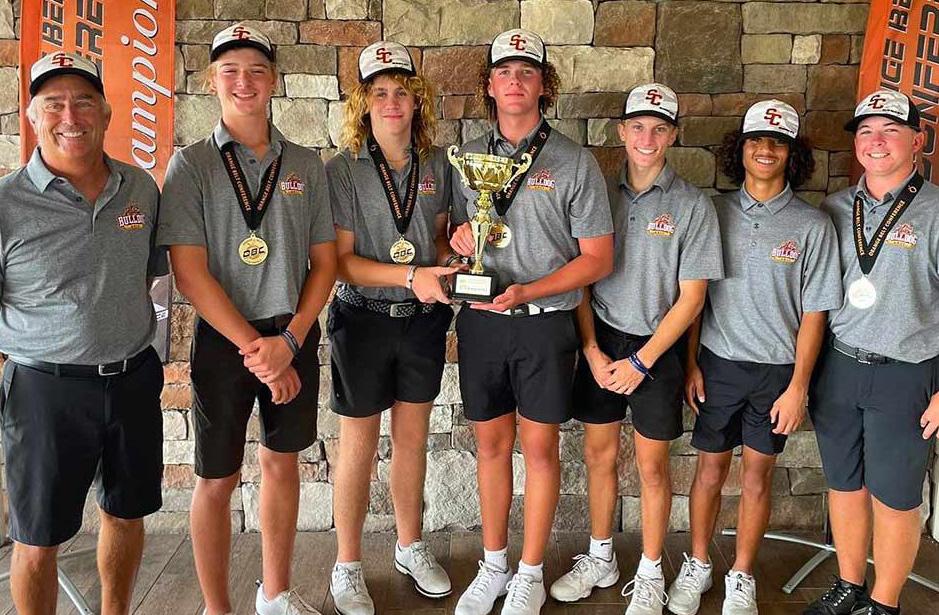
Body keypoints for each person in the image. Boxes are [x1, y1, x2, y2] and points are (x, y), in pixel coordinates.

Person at [157, 23, 337, 615]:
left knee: (282, 464)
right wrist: (261, 353)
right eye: (230, 71)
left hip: (293, 333)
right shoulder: (190, 166)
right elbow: (189, 274)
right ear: (212, 81)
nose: (244, 81)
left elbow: (325, 264)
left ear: (274, 81)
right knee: (216, 478)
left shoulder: (306, 164)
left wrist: (288, 341)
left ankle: (276, 594)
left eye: (257, 70)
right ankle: (217, 607)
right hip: (224, 341)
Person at [449, 28, 614, 615]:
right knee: (490, 446)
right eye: (504, 72)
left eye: (527, 71)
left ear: (544, 85)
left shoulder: (574, 161)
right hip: (481, 321)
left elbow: (598, 259)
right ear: (490, 86)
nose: (515, 81)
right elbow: (453, 239)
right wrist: (457, 240)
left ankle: (530, 572)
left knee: (540, 449)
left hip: (544, 322)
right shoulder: (465, 156)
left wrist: (529, 290)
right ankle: (494, 565)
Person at [547, 83, 723, 615]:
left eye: (660, 128)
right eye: (638, 127)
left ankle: (650, 571)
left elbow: (693, 298)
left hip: (657, 349)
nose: (648, 138)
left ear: (673, 135)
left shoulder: (692, 205)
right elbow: (579, 278)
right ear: (621, 131)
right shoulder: (595, 192)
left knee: (652, 467)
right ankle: (601, 557)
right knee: (599, 456)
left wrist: (643, 361)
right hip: (601, 339)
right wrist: (592, 350)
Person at [0, 51, 165, 615]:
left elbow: (148, 272)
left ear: (107, 113)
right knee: (37, 538)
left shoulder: (139, 189)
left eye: (84, 102)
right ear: (31, 116)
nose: (70, 116)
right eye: (54, 104)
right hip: (44, 391)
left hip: (132, 378)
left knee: (126, 513)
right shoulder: (6, 204)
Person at [666, 100, 842, 615]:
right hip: (718, 365)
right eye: (756, 140)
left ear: (792, 154)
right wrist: (692, 363)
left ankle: (741, 574)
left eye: (778, 142)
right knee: (709, 471)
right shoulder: (712, 212)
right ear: (739, 149)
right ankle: (699, 564)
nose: (766, 149)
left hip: (777, 374)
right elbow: (695, 299)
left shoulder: (812, 225)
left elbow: (815, 314)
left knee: (757, 476)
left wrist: (798, 387)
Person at [324, 40, 458, 615]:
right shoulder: (342, 169)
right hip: (362, 319)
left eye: (401, 91)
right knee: (357, 444)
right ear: (364, 102)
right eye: (379, 92)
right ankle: (347, 565)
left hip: (422, 321)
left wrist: (455, 259)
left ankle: (409, 545)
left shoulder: (439, 165)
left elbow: (440, 239)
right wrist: (410, 275)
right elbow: (341, 262)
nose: (391, 101)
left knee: (411, 439)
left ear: (417, 98)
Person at [804, 90, 939, 615]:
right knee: (845, 484)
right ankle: (850, 585)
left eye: (890, 130)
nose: (876, 141)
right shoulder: (836, 209)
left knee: (895, 496)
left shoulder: (935, 211)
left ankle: (884, 604)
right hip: (839, 367)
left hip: (907, 374)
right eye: (866, 131)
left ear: (917, 141)